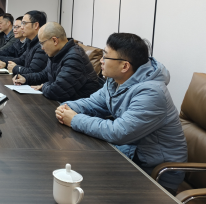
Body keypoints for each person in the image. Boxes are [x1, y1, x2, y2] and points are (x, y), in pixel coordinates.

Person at [55, 33, 187, 193]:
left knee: (86, 182)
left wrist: (75, 119)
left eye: (106, 56)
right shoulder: (115, 80)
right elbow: (93, 103)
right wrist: (67, 107)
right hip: (130, 154)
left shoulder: (151, 93)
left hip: (155, 172)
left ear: (124, 66)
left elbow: (119, 132)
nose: (101, 61)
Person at [13, 22, 102, 102]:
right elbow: (45, 74)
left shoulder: (74, 57)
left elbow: (57, 91)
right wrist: (26, 78)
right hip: (63, 103)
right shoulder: (57, 53)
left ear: (55, 40)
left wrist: (44, 86)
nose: (42, 48)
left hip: (78, 107)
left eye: (42, 43)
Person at [0, 10, 47, 75]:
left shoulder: (42, 45)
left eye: (24, 23)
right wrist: (4, 63)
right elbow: (21, 60)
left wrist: (15, 68)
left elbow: (33, 72)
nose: (22, 27)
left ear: (36, 25)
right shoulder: (30, 42)